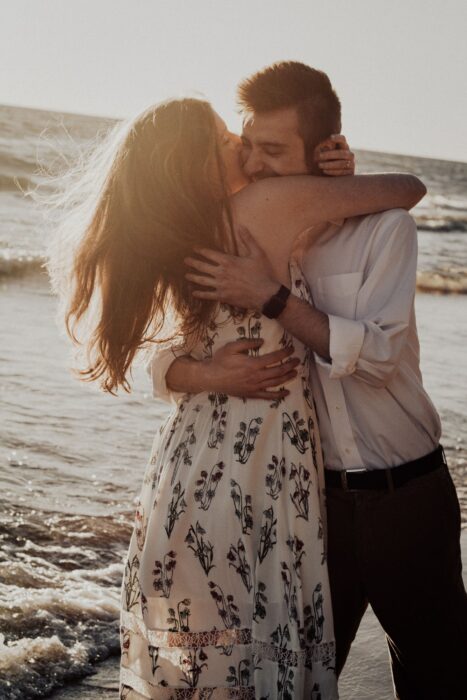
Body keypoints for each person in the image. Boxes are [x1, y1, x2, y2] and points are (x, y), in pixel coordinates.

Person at [49, 93, 427, 699]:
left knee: (203, 661)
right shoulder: (267, 204)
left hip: (185, 469)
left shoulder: (176, 233)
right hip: (257, 470)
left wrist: (198, 376)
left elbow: (159, 352)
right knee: (255, 649)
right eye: (228, 139)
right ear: (196, 162)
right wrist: (339, 175)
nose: (242, 149)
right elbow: (408, 187)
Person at [149, 63, 467, 699]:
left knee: (442, 680)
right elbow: (157, 354)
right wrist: (212, 370)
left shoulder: (384, 230)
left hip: (407, 500)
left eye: (274, 150)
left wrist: (269, 296)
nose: (255, 163)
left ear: (322, 150)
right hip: (307, 507)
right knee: (299, 681)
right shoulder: (242, 228)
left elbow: (374, 358)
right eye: (248, 144)